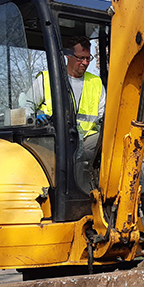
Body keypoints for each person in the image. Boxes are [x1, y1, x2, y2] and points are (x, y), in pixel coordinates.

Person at [26, 36, 107, 188]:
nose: (85, 63)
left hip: (85, 138)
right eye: (80, 58)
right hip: (53, 139)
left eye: (88, 58)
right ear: (68, 56)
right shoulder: (48, 78)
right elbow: (27, 105)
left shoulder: (95, 83)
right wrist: (35, 115)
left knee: (111, 144)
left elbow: (103, 115)